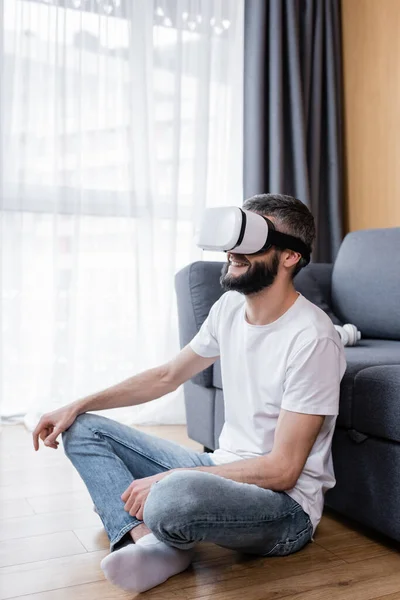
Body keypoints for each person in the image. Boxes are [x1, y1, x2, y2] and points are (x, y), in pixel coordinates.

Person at [32, 193, 346, 594]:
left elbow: (283, 470)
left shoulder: (313, 338)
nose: (233, 249)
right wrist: (76, 405)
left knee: (171, 497)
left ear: (290, 257)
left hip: (284, 508)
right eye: (236, 234)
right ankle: (152, 542)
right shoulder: (229, 308)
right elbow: (167, 375)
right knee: (83, 429)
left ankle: (152, 527)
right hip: (219, 464)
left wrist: (170, 478)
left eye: (252, 237)